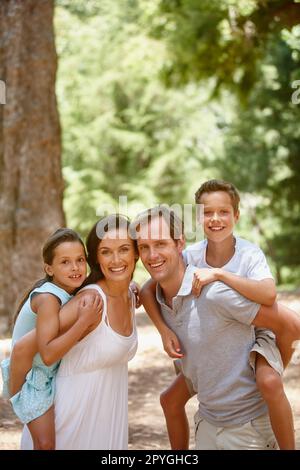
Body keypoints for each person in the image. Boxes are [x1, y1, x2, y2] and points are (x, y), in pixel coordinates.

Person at [141, 180, 296, 450]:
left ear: (236, 216)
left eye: (223, 212)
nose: (215, 219)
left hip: (259, 330)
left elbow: (270, 296)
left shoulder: (248, 254)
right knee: (170, 399)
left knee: (269, 382)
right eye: (207, 212)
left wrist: (221, 275)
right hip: (219, 340)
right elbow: (148, 288)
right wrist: (163, 331)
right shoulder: (191, 255)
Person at [20, 214, 138, 450]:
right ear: (96, 258)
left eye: (124, 249)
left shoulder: (131, 295)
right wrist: (18, 396)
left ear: (136, 253)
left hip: (107, 422)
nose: (116, 259)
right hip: (71, 424)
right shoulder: (90, 301)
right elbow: (26, 347)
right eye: (106, 252)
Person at [1, 228, 102, 450]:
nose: (75, 267)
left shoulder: (69, 289)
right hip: (32, 379)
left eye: (80, 260)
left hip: (45, 374)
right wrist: (83, 322)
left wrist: (130, 286)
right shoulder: (48, 298)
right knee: (45, 444)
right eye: (65, 262)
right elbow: (47, 355)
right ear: (49, 268)